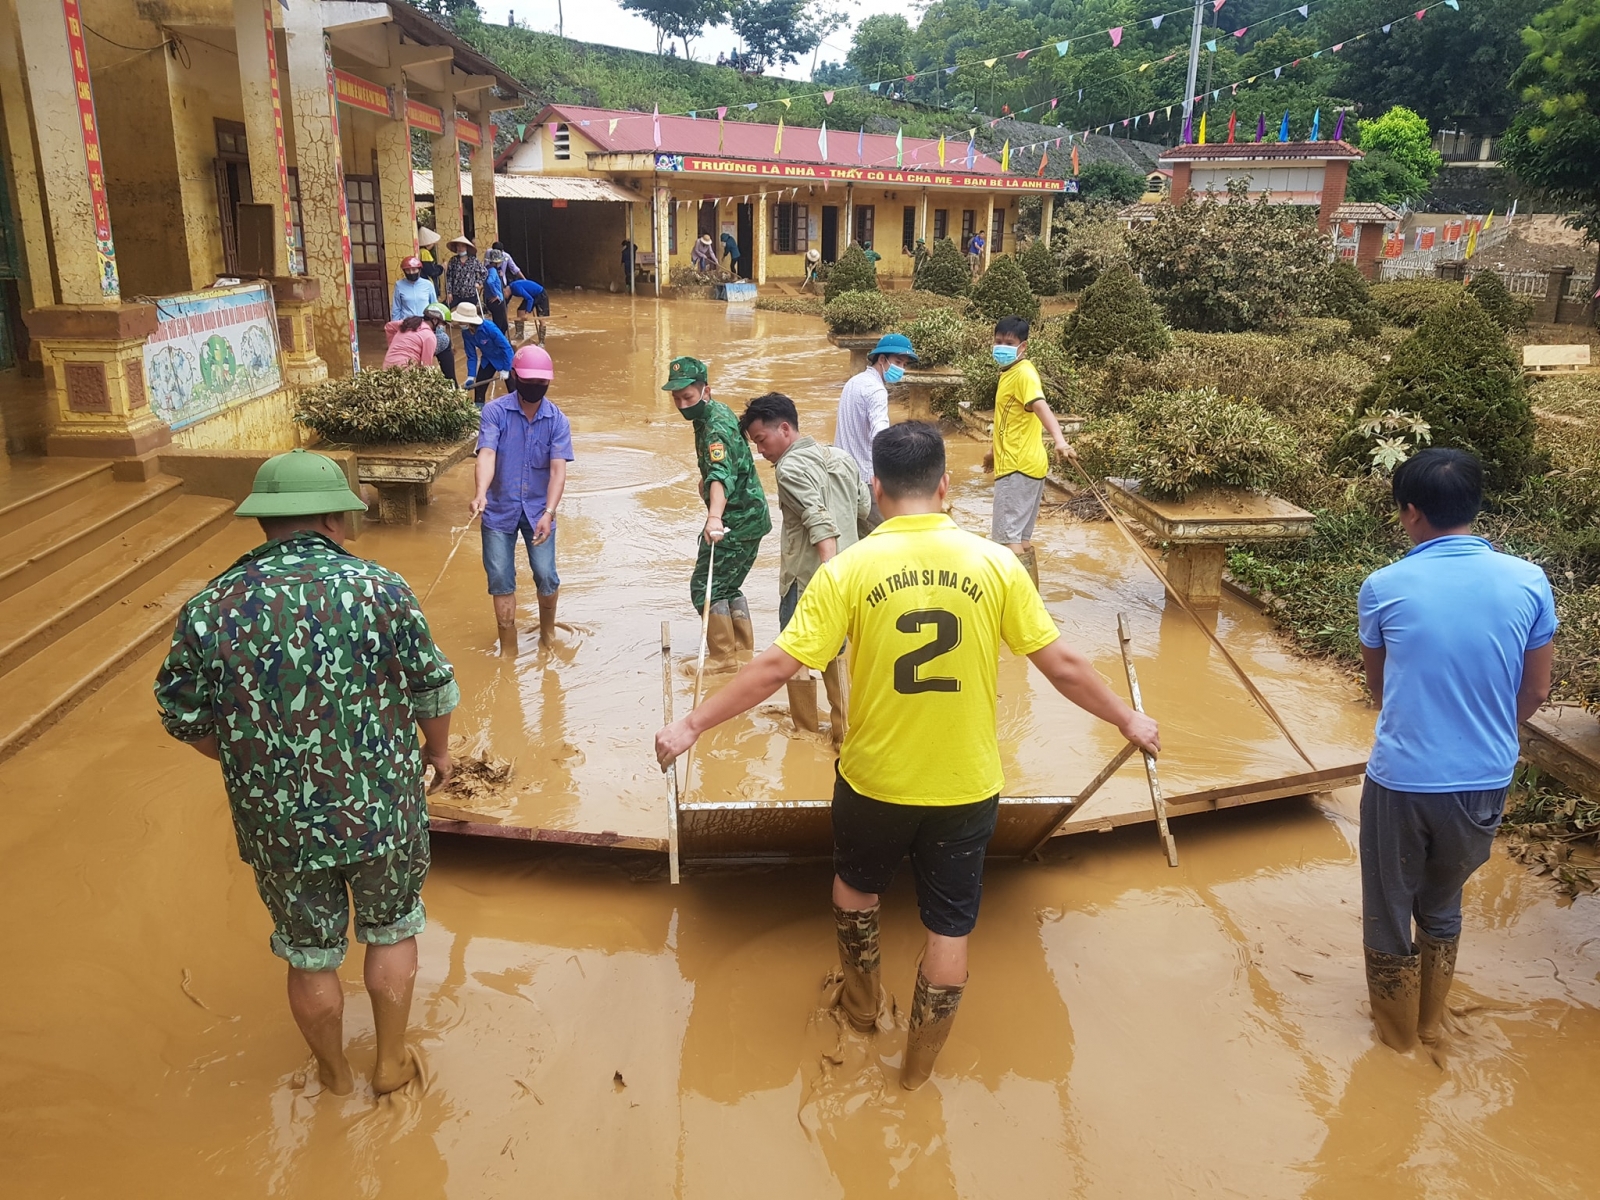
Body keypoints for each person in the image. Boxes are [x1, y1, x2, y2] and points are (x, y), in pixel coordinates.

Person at [655, 422, 1159, 1089]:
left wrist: (690, 725)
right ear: (945, 485)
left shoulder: (848, 570)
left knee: (857, 887)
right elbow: (1061, 664)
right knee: (950, 927)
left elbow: (777, 668)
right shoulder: (995, 564)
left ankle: (861, 1008)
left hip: (875, 781)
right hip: (967, 785)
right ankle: (917, 1072)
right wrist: (1128, 718)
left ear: (876, 490)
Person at [155, 449, 459, 1097]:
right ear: (333, 518)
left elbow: (182, 715)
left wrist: (247, 764)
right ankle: (390, 1063)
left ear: (265, 523)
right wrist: (438, 754)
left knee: (309, 951)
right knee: (393, 926)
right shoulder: (380, 588)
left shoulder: (210, 608)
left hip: (278, 824)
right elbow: (432, 689)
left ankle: (334, 1075)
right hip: (382, 810)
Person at [1356, 447, 1554, 1058]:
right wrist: (1491, 730)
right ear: (1475, 507)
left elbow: (1380, 688)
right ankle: (1432, 1024)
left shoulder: (1383, 586)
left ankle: (1395, 1043)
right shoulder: (1529, 580)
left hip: (1402, 779)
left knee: (1389, 907)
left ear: (1411, 513)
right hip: (1484, 778)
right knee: (1442, 902)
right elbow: (1538, 689)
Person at [739, 391, 869, 745]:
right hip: (850, 573)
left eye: (762, 440)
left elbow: (819, 521)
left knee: (796, 653)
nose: (760, 451)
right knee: (838, 652)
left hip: (807, 577)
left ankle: (806, 730)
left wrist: (827, 572)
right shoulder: (841, 458)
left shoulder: (789, 468)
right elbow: (864, 508)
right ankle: (845, 735)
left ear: (784, 429)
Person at [661, 355, 771, 660]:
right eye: (676, 398)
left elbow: (721, 473)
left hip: (736, 519)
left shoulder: (713, 429)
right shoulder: (718, 412)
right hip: (752, 515)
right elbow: (724, 468)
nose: (683, 405)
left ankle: (723, 661)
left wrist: (714, 517)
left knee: (705, 587)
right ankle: (743, 655)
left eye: (688, 397)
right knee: (728, 585)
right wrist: (705, 484)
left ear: (705, 392)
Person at [470, 344, 574, 657]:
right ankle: (509, 650)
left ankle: (547, 634)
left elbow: (558, 473)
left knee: (545, 574)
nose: (535, 388)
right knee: (501, 579)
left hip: (539, 512)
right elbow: (486, 454)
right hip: (498, 509)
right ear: (514, 377)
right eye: (530, 381)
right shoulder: (495, 412)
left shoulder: (557, 421)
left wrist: (549, 512)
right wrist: (480, 494)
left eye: (541, 384)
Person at [988, 316, 1073, 588]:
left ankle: (1019, 608)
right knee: (1021, 540)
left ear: (1022, 347)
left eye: (1009, 343)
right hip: (1028, 466)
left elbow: (1040, 406)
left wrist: (1059, 439)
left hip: (1017, 468)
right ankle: (1032, 601)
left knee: (1006, 541)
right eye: (998, 342)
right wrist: (993, 453)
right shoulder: (1009, 373)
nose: (1002, 347)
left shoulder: (1024, 373)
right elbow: (1008, 420)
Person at [835, 333, 917, 532]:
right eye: (898, 362)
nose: (901, 369)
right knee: (885, 536)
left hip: (841, 476)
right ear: (882, 359)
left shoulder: (854, 382)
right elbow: (881, 438)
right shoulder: (876, 391)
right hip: (866, 480)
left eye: (905, 364)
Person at [452, 300, 515, 406]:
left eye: (460, 321)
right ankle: (479, 412)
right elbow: (471, 355)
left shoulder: (489, 328)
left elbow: (506, 348)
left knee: (513, 391)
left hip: (505, 359)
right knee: (479, 389)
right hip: (488, 359)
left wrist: (507, 368)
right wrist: (471, 375)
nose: (459, 324)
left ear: (468, 321)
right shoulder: (466, 333)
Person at [444, 236, 488, 309]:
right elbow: (449, 277)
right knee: (446, 307)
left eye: (462, 246)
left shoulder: (473, 260)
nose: (460, 248)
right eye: (458, 246)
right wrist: (449, 292)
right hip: (456, 294)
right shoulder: (453, 260)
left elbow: (485, 272)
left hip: (470, 294)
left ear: (467, 247)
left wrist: (478, 282)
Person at [390, 256, 437, 322]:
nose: (411, 272)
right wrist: (395, 325)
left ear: (419, 270)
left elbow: (434, 305)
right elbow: (396, 308)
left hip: (424, 323)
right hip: (406, 323)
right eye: (408, 270)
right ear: (404, 271)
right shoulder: (399, 285)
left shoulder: (428, 284)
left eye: (414, 270)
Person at [424, 302, 455, 384]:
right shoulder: (433, 337)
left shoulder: (410, 325)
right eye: (443, 323)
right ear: (434, 320)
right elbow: (425, 364)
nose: (443, 326)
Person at [481, 253, 509, 335]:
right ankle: (496, 342)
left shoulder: (489, 269)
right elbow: (490, 282)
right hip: (496, 301)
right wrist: (495, 294)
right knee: (499, 325)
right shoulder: (492, 270)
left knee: (503, 325)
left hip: (495, 301)